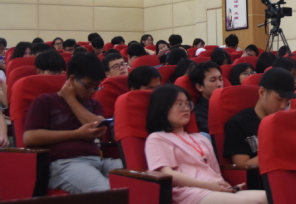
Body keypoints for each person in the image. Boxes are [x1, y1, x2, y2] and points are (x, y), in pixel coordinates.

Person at [145, 85, 267, 204]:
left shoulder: (201, 138)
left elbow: (215, 172)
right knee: (248, 202)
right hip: (187, 192)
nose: (186, 108)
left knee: (269, 197)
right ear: (163, 108)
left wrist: (225, 187)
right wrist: (208, 185)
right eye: (179, 104)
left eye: (187, 103)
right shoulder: (157, 138)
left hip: (214, 188)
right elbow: (167, 173)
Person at [23, 53, 123, 193]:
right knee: (107, 191)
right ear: (71, 79)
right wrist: (76, 134)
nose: (92, 91)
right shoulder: (45, 101)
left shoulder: (94, 104)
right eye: (88, 86)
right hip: (64, 164)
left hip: (98, 161)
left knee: (139, 175)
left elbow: (97, 127)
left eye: (96, 87)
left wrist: (71, 99)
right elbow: (29, 137)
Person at [224, 68, 296, 167]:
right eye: (279, 99)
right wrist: (280, 150)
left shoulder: (287, 122)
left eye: (287, 101)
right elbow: (242, 166)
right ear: (262, 92)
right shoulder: (239, 124)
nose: (283, 106)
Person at [189, 62, 224, 134]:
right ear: (199, 87)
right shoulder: (198, 113)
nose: (219, 84)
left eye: (220, 79)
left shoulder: (231, 102)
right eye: (213, 80)